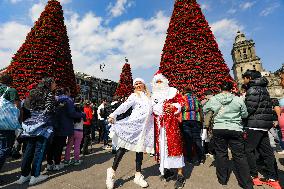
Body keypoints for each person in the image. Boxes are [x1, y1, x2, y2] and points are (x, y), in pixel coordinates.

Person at [106, 78, 154, 189]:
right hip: (132, 127)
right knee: (122, 149)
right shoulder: (134, 96)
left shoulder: (149, 97)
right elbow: (124, 106)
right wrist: (113, 115)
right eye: (136, 84)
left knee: (139, 151)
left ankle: (138, 175)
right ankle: (111, 172)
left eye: (139, 83)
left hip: (143, 129)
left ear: (143, 84)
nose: (138, 85)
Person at [204, 81, 253, 189]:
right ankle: (246, 183)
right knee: (239, 155)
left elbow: (205, 109)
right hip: (235, 128)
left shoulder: (214, 99)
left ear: (220, 88)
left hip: (219, 128)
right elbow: (244, 114)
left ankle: (223, 179)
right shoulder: (237, 99)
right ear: (231, 89)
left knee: (221, 154)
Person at [242, 70, 281, 189]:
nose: (243, 80)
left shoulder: (253, 89)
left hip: (254, 123)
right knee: (267, 151)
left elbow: (250, 108)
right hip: (264, 124)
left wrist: (243, 117)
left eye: (244, 78)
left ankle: (254, 176)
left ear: (249, 78)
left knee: (249, 150)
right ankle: (273, 178)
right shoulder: (264, 88)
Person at [17, 77, 56, 186]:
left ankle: (24, 175)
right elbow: (49, 109)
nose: (55, 85)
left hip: (30, 126)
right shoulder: (49, 94)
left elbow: (26, 107)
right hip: (42, 127)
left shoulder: (32, 93)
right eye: (54, 83)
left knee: (28, 150)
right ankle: (35, 175)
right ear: (49, 84)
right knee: (39, 151)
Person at [151, 71, 185, 189]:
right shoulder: (153, 95)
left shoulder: (172, 91)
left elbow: (181, 101)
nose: (159, 83)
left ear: (165, 81)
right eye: (157, 82)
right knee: (163, 149)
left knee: (175, 147)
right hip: (159, 127)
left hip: (171, 125)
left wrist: (175, 106)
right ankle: (168, 170)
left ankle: (180, 174)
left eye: (160, 81)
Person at [46, 87, 85, 170]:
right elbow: (72, 113)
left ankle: (49, 164)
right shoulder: (68, 100)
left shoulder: (54, 98)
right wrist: (82, 114)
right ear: (67, 92)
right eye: (69, 92)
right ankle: (57, 164)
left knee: (52, 145)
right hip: (64, 126)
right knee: (59, 146)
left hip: (53, 124)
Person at [0, 74, 20, 171]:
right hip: (6, 125)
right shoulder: (11, 90)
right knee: (5, 148)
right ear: (11, 81)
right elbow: (16, 107)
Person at [181, 86, 204, 164]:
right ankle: (201, 158)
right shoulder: (196, 98)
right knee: (197, 139)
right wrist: (202, 120)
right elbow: (201, 110)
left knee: (188, 140)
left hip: (186, 120)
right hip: (195, 119)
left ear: (184, 91)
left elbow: (180, 109)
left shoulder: (182, 98)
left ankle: (190, 159)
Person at [64, 97, 86, 165]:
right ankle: (76, 160)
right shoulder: (82, 114)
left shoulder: (72, 114)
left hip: (72, 130)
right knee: (77, 146)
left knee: (69, 146)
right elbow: (85, 120)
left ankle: (66, 160)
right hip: (79, 131)